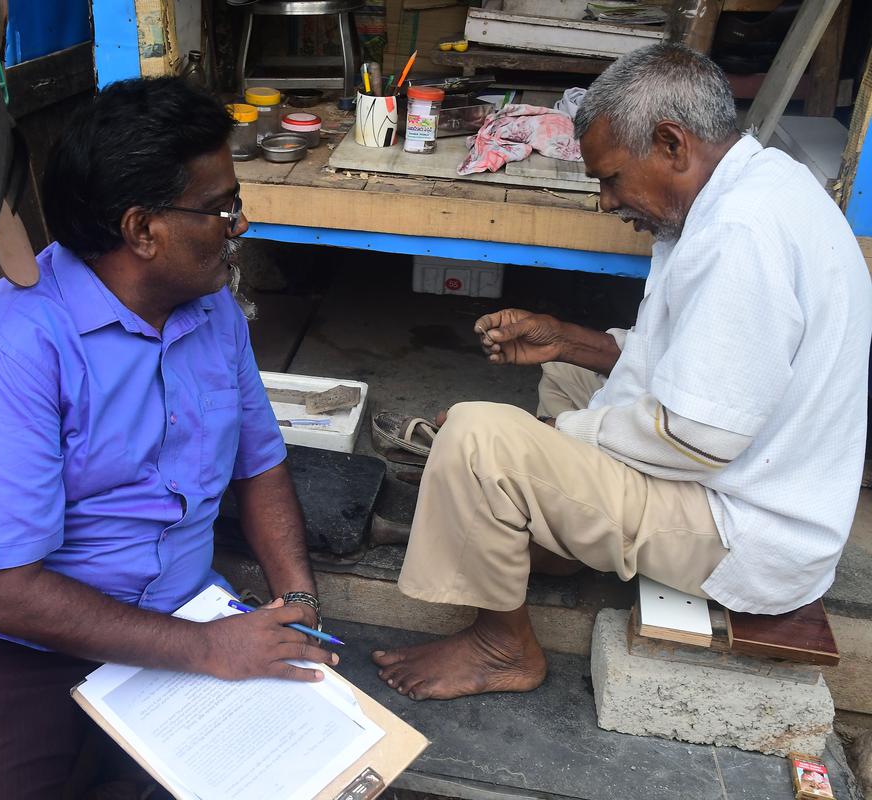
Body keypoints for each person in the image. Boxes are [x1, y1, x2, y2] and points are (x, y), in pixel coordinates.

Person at [373, 42, 872, 701]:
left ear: (671, 144)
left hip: (743, 531)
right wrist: (569, 341)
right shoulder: (758, 185)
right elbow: (701, 361)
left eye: (609, 179)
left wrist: (563, 440)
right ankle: (536, 524)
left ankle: (501, 645)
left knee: (477, 439)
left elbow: (696, 434)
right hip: (751, 476)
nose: (607, 203)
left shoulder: (740, 234)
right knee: (564, 380)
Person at [0, 76, 332, 800]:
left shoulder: (209, 309)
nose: (238, 225)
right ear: (141, 230)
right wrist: (209, 649)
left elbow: (261, 466)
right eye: (221, 208)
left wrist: (297, 600)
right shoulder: (8, 352)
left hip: (177, 617)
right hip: (1, 640)